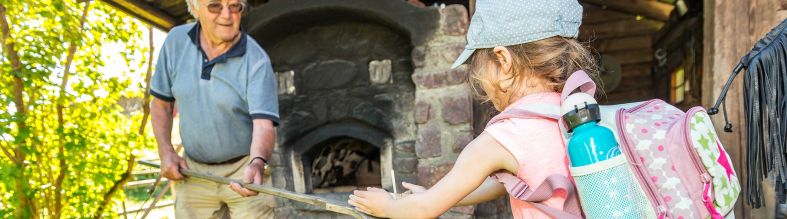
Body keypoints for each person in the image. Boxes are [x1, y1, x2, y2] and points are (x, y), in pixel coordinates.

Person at [348, 0, 599, 218]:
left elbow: (424, 210)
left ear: (503, 61)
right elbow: (506, 183)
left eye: (478, 67)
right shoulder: (572, 114)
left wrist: (387, 206)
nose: (481, 82)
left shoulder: (505, 136)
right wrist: (436, 194)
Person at [149, 0, 279, 218]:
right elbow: (161, 103)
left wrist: (257, 162)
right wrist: (166, 151)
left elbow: (264, 125)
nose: (226, 15)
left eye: (234, 6)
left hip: (243, 169)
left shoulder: (256, 60)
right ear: (195, 8)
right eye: (215, 6)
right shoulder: (176, 42)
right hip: (193, 171)